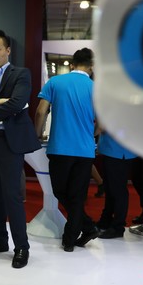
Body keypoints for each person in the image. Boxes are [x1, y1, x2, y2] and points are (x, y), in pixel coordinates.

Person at [0, 30, 40, 269]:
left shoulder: (21, 74)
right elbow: (6, 106)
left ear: (8, 50)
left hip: (9, 143)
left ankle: (21, 246)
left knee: (12, 195)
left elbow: (17, 103)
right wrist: (2, 103)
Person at [34, 48, 100, 252]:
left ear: (72, 64)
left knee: (60, 191)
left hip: (59, 147)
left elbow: (40, 111)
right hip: (85, 150)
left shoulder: (54, 82)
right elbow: (104, 123)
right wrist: (91, 135)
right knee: (77, 195)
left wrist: (36, 135)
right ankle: (81, 232)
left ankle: (75, 235)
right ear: (91, 66)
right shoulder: (97, 89)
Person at [95, 131, 137, 239]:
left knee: (118, 190)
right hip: (111, 148)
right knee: (110, 188)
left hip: (119, 150)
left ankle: (118, 226)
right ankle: (106, 220)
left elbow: (103, 126)